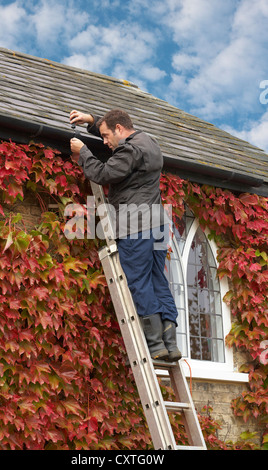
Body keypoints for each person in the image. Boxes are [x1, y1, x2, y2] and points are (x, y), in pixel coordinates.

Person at [69, 109, 182, 362]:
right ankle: (171, 343)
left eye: (107, 136)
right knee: (157, 280)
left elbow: (103, 174)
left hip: (136, 225)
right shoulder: (149, 142)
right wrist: (92, 121)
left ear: (120, 129)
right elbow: (113, 130)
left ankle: (155, 346)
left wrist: (84, 152)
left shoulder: (129, 150)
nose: (106, 142)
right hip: (158, 224)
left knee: (139, 281)